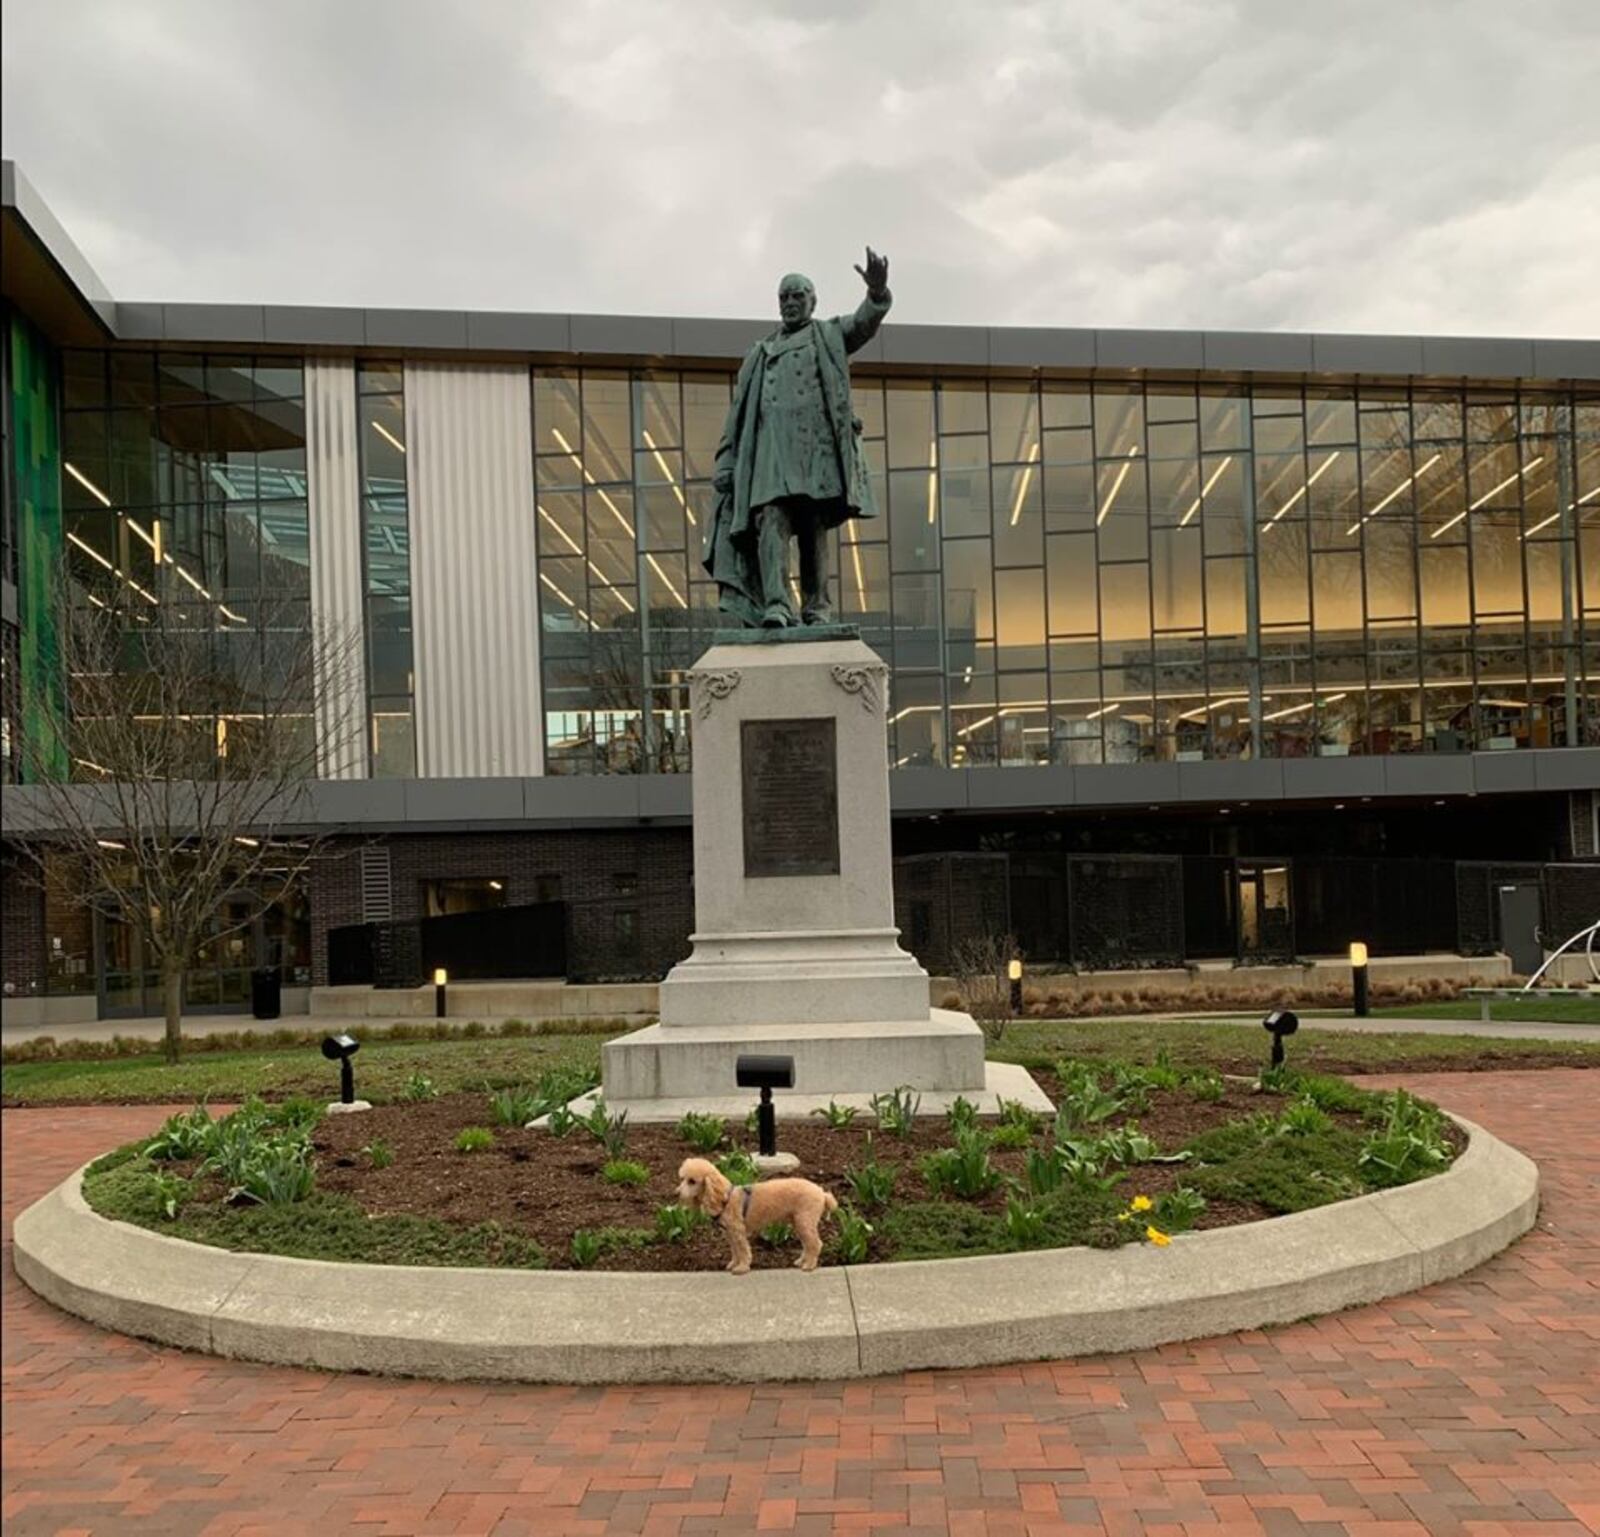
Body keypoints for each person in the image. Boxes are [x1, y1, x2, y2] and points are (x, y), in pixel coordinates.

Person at [704, 249, 892, 627]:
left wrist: (876, 293)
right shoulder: (759, 353)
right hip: (769, 455)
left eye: (797, 296)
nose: (790, 303)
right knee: (770, 522)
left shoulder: (827, 334)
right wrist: (726, 461)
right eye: (784, 297)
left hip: (814, 453)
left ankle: (817, 607)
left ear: (812, 301)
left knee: (812, 529)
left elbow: (862, 325)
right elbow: (737, 416)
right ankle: (776, 604)